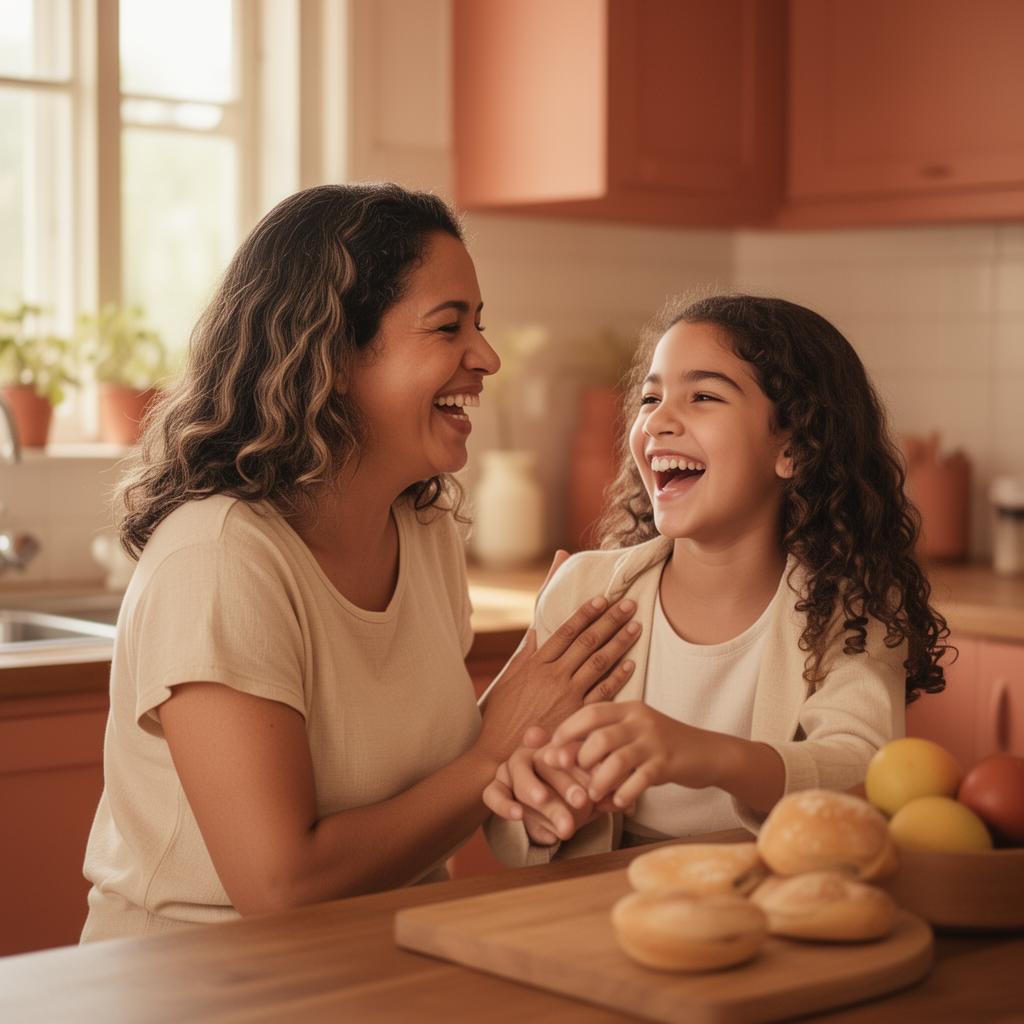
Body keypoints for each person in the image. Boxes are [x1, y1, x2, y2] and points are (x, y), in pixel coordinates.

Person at [80, 183, 642, 941]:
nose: (487, 356)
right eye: (448, 327)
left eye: (479, 325)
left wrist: (530, 753)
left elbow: (424, 794)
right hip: (200, 987)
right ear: (333, 353)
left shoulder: (425, 530)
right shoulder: (220, 560)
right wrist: (494, 751)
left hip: (380, 959)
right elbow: (282, 889)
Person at [483, 294, 950, 863]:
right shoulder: (586, 592)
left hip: (769, 894)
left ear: (795, 448)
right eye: (650, 397)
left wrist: (708, 755)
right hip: (597, 905)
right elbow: (509, 803)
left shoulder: (849, 608)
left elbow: (861, 771)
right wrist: (542, 813)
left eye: (703, 396)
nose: (657, 419)